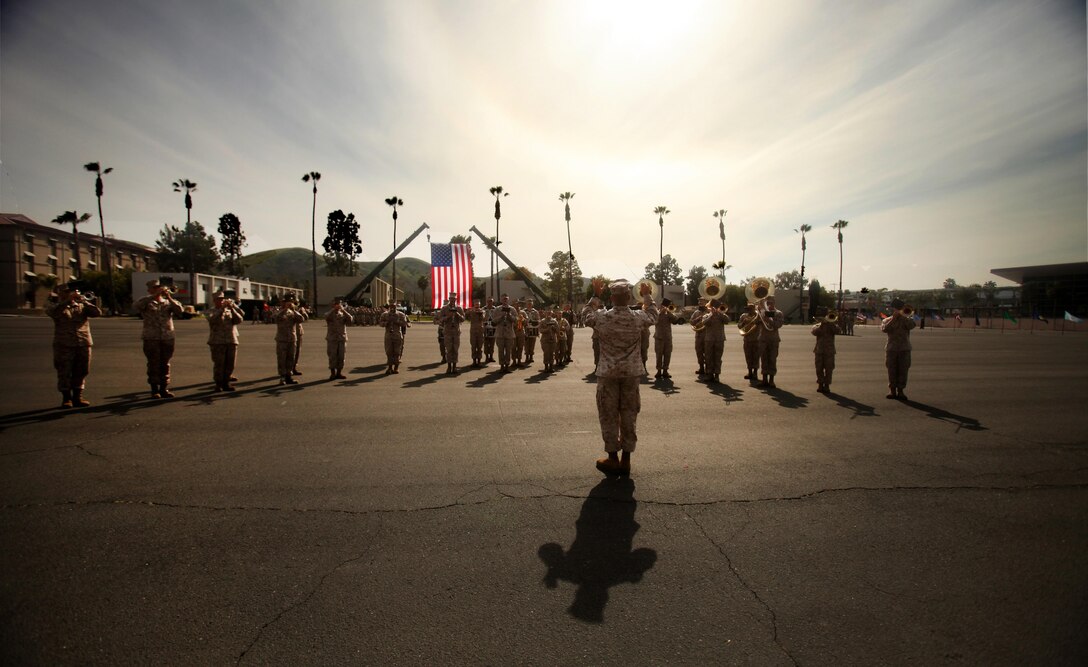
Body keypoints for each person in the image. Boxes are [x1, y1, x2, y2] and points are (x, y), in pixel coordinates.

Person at [583, 281, 657, 477]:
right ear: (629, 298)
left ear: (611, 298)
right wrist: (647, 295)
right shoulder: (638, 317)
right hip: (631, 373)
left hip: (608, 373)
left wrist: (595, 296)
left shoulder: (602, 317)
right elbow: (653, 315)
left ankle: (612, 458)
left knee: (608, 415)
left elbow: (585, 315)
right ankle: (626, 460)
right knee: (629, 414)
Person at [46, 282, 101, 407]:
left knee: (82, 370)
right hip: (64, 344)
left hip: (83, 342)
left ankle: (78, 396)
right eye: (67, 292)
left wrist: (84, 301)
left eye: (73, 291)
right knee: (64, 371)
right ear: (60, 293)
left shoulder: (81, 305)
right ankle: (66, 398)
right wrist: (67, 301)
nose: (72, 294)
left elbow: (97, 313)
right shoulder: (56, 305)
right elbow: (52, 312)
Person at [135, 278, 184, 399]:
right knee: (153, 363)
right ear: (150, 290)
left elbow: (180, 311)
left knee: (165, 363)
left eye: (160, 288)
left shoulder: (168, 302)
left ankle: (164, 388)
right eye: (156, 288)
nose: (159, 290)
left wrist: (170, 297)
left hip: (167, 337)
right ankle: (154, 389)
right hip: (151, 337)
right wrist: (153, 296)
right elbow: (136, 307)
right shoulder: (145, 301)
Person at [207, 290, 244, 392]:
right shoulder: (212, 311)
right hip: (217, 341)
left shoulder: (229, 311)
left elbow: (239, 319)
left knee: (230, 363)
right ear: (214, 301)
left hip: (231, 340)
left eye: (222, 299)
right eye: (219, 299)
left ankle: (226, 382)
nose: (222, 301)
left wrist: (232, 308)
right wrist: (222, 309)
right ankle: (218, 384)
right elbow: (212, 320)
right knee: (219, 364)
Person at [881, 299, 916, 399]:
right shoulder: (887, 320)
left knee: (903, 370)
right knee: (891, 370)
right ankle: (892, 390)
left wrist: (903, 317)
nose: (899, 310)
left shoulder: (907, 320)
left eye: (900, 309)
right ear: (893, 309)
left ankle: (901, 391)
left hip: (904, 348)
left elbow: (912, 326)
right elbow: (884, 329)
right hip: (891, 349)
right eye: (897, 309)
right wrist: (893, 319)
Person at [274, 295, 306, 385]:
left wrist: (294, 310)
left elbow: (301, 319)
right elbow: (276, 318)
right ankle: (282, 377)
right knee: (282, 359)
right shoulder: (278, 311)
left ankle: (289, 376)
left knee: (290, 359)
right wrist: (284, 309)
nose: (289, 304)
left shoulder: (293, 312)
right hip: (282, 339)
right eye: (287, 302)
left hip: (292, 339)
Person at [756, 296, 785, 388]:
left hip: (773, 340)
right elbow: (756, 323)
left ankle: (771, 380)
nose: (769, 304)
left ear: (774, 303)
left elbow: (778, 325)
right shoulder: (762, 312)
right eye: (767, 303)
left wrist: (768, 319)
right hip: (763, 339)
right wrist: (759, 315)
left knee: (772, 359)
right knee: (764, 359)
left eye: (770, 302)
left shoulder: (778, 313)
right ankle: (764, 380)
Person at [702, 300, 731, 384]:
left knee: (718, 358)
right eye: (712, 307)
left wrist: (719, 313)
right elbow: (704, 323)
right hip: (709, 339)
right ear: (709, 308)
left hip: (719, 339)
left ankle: (717, 375)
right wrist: (711, 315)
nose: (713, 308)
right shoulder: (706, 316)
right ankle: (709, 374)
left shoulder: (721, 315)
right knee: (708, 357)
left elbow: (727, 320)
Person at [325, 296, 354, 380]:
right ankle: (332, 373)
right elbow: (327, 317)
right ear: (333, 305)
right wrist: (334, 310)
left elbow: (350, 320)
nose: (338, 306)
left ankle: (339, 373)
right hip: (332, 339)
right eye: (336, 304)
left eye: (339, 304)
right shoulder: (329, 313)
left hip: (342, 338)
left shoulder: (343, 314)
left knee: (341, 356)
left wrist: (343, 310)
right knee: (332, 356)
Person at [437, 292, 466, 374]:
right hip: (448, 331)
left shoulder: (459, 308)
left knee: (455, 349)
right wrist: (448, 316)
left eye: (454, 299)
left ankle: (454, 366)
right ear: (449, 299)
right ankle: (449, 366)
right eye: (451, 299)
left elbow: (463, 319)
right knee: (449, 349)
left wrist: (457, 314)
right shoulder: (444, 308)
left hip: (456, 331)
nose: (453, 300)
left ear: (456, 300)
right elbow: (440, 319)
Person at [379, 299, 410, 374]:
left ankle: (396, 367)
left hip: (397, 335)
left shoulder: (401, 314)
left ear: (396, 306)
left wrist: (397, 321)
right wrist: (386, 322)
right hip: (388, 335)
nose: (393, 307)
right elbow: (380, 323)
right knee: (389, 352)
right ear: (389, 306)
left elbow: (405, 323)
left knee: (397, 351)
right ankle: (389, 368)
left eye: (394, 306)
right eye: (391, 306)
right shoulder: (385, 314)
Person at [811, 308, 837, 393]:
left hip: (829, 351)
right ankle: (820, 384)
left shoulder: (832, 325)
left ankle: (827, 385)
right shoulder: (817, 325)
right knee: (819, 368)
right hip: (819, 350)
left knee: (829, 369)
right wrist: (822, 324)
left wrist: (830, 324)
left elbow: (838, 331)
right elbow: (814, 332)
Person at [653, 299, 679, 379]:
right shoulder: (656, 313)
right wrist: (661, 312)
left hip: (667, 338)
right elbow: (654, 321)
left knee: (667, 355)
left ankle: (665, 371)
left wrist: (669, 312)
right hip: (659, 337)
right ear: (660, 305)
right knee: (659, 355)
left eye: (666, 306)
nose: (664, 307)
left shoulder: (668, 313)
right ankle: (658, 371)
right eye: (663, 305)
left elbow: (675, 320)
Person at [492, 294, 517, 371]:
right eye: (503, 299)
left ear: (508, 300)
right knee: (501, 350)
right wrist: (501, 316)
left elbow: (516, 320)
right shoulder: (497, 309)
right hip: (500, 333)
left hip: (509, 333)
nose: (505, 300)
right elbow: (494, 321)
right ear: (501, 300)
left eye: (506, 299)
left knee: (508, 350)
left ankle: (507, 365)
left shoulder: (512, 309)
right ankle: (502, 365)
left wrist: (509, 315)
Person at [738, 303, 761, 382]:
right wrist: (744, 322)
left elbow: (760, 324)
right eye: (748, 309)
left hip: (756, 339)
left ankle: (755, 373)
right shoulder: (743, 316)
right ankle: (750, 372)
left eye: (751, 308)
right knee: (748, 356)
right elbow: (739, 326)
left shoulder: (758, 316)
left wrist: (754, 321)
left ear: (754, 308)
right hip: (747, 339)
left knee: (756, 357)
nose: (749, 310)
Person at [690, 297, 709, 377]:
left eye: (702, 301)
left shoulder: (708, 311)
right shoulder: (696, 312)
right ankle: (701, 368)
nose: (700, 302)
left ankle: (708, 369)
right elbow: (691, 322)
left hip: (707, 335)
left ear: (706, 302)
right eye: (699, 301)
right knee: (699, 352)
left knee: (707, 353)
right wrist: (697, 319)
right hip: (698, 335)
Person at [539, 307, 561, 372]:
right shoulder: (542, 321)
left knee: (552, 353)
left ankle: (551, 367)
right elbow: (540, 330)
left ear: (552, 313)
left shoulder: (554, 321)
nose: (549, 314)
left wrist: (554, 328)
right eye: (547, 312)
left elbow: (558, 330)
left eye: (550, 313)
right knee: (546, 353)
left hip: (553, 339)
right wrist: (546, 330)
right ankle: (546, 367)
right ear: (545, 313)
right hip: (545, 340)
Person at [291, 301, 310, 375]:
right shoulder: (286, 311)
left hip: (298, 332)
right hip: (290, 333)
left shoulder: (299, 310)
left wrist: (302, 312)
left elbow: (306, 318)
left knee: (297, 351)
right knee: (290, 352)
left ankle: (294, 367)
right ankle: (288, 369)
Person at [467, 300, 485, 366]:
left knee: (480, 346)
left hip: (480, 331)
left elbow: (483, 318)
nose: (477, 305)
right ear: (474, 305)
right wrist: (470, 312)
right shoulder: (471, 311)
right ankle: (474, 361)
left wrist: (480, 313)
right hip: (473, 331)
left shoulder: (482, 311)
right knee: (473, 346)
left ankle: (479, 361)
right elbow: (467, 317)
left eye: (478, 304)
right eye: (476, 304)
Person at [523, 299, 540, 365]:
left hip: (533, 329)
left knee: (532, 343)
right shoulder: (523, 311)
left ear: (532, 304)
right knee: (526, 344)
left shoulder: (535, 311)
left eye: (530, 303)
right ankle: (527, 356)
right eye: (528, 303)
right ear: (526, 304)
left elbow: (538, 320)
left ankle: (531, 356)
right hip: (526, 329)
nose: (529, 305)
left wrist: (535, 322)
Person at [482, 296, 497, 363]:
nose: (490, 302)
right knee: (486, 343)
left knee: (492, 343)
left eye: (491, 301)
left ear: (493, 302)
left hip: (493, 328)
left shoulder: (495, 309)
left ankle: (491, 356)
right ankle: (487, 357)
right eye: (488, 301)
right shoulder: (483, 309)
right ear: (486, 302)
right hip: (486, 328)